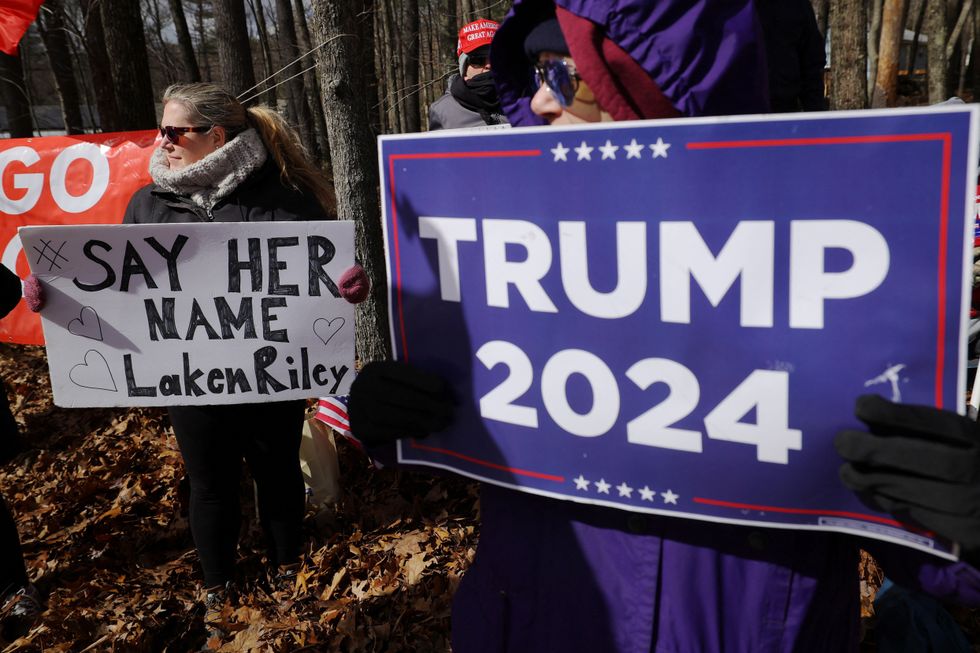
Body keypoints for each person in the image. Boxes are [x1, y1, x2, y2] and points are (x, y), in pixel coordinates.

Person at [347, 2, 980, 651]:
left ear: (641, 83)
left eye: (562, 76)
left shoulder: (815, 265)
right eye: (534, 76)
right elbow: (487, 437)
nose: (538, 103)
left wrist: (962, 520)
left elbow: (924, 553)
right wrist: (394, 419)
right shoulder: (506, 254)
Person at [120, 82, 365, 640]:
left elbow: (320, 275)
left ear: (216, 135)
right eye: (161, 129)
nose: (162, 141)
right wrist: (60, 297)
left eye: (173, 131)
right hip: (192, 377)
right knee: (208, 483)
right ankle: (219, 586)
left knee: (277, 469)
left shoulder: (283, 195)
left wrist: (347, 287)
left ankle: (286, 571)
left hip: (269, 369)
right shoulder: (147, 202)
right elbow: (120, 286)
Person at [427, 19, 507, 130]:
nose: (489, 66)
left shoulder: (526, 102)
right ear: (464, 68)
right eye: (478, 60)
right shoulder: (442, 111)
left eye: (495, 58)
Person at [755, 0, 828, 112]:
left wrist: (815, 114)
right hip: (729, 112)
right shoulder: (726, 8)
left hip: (783, 111)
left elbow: (812, 64)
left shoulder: (796, 5)